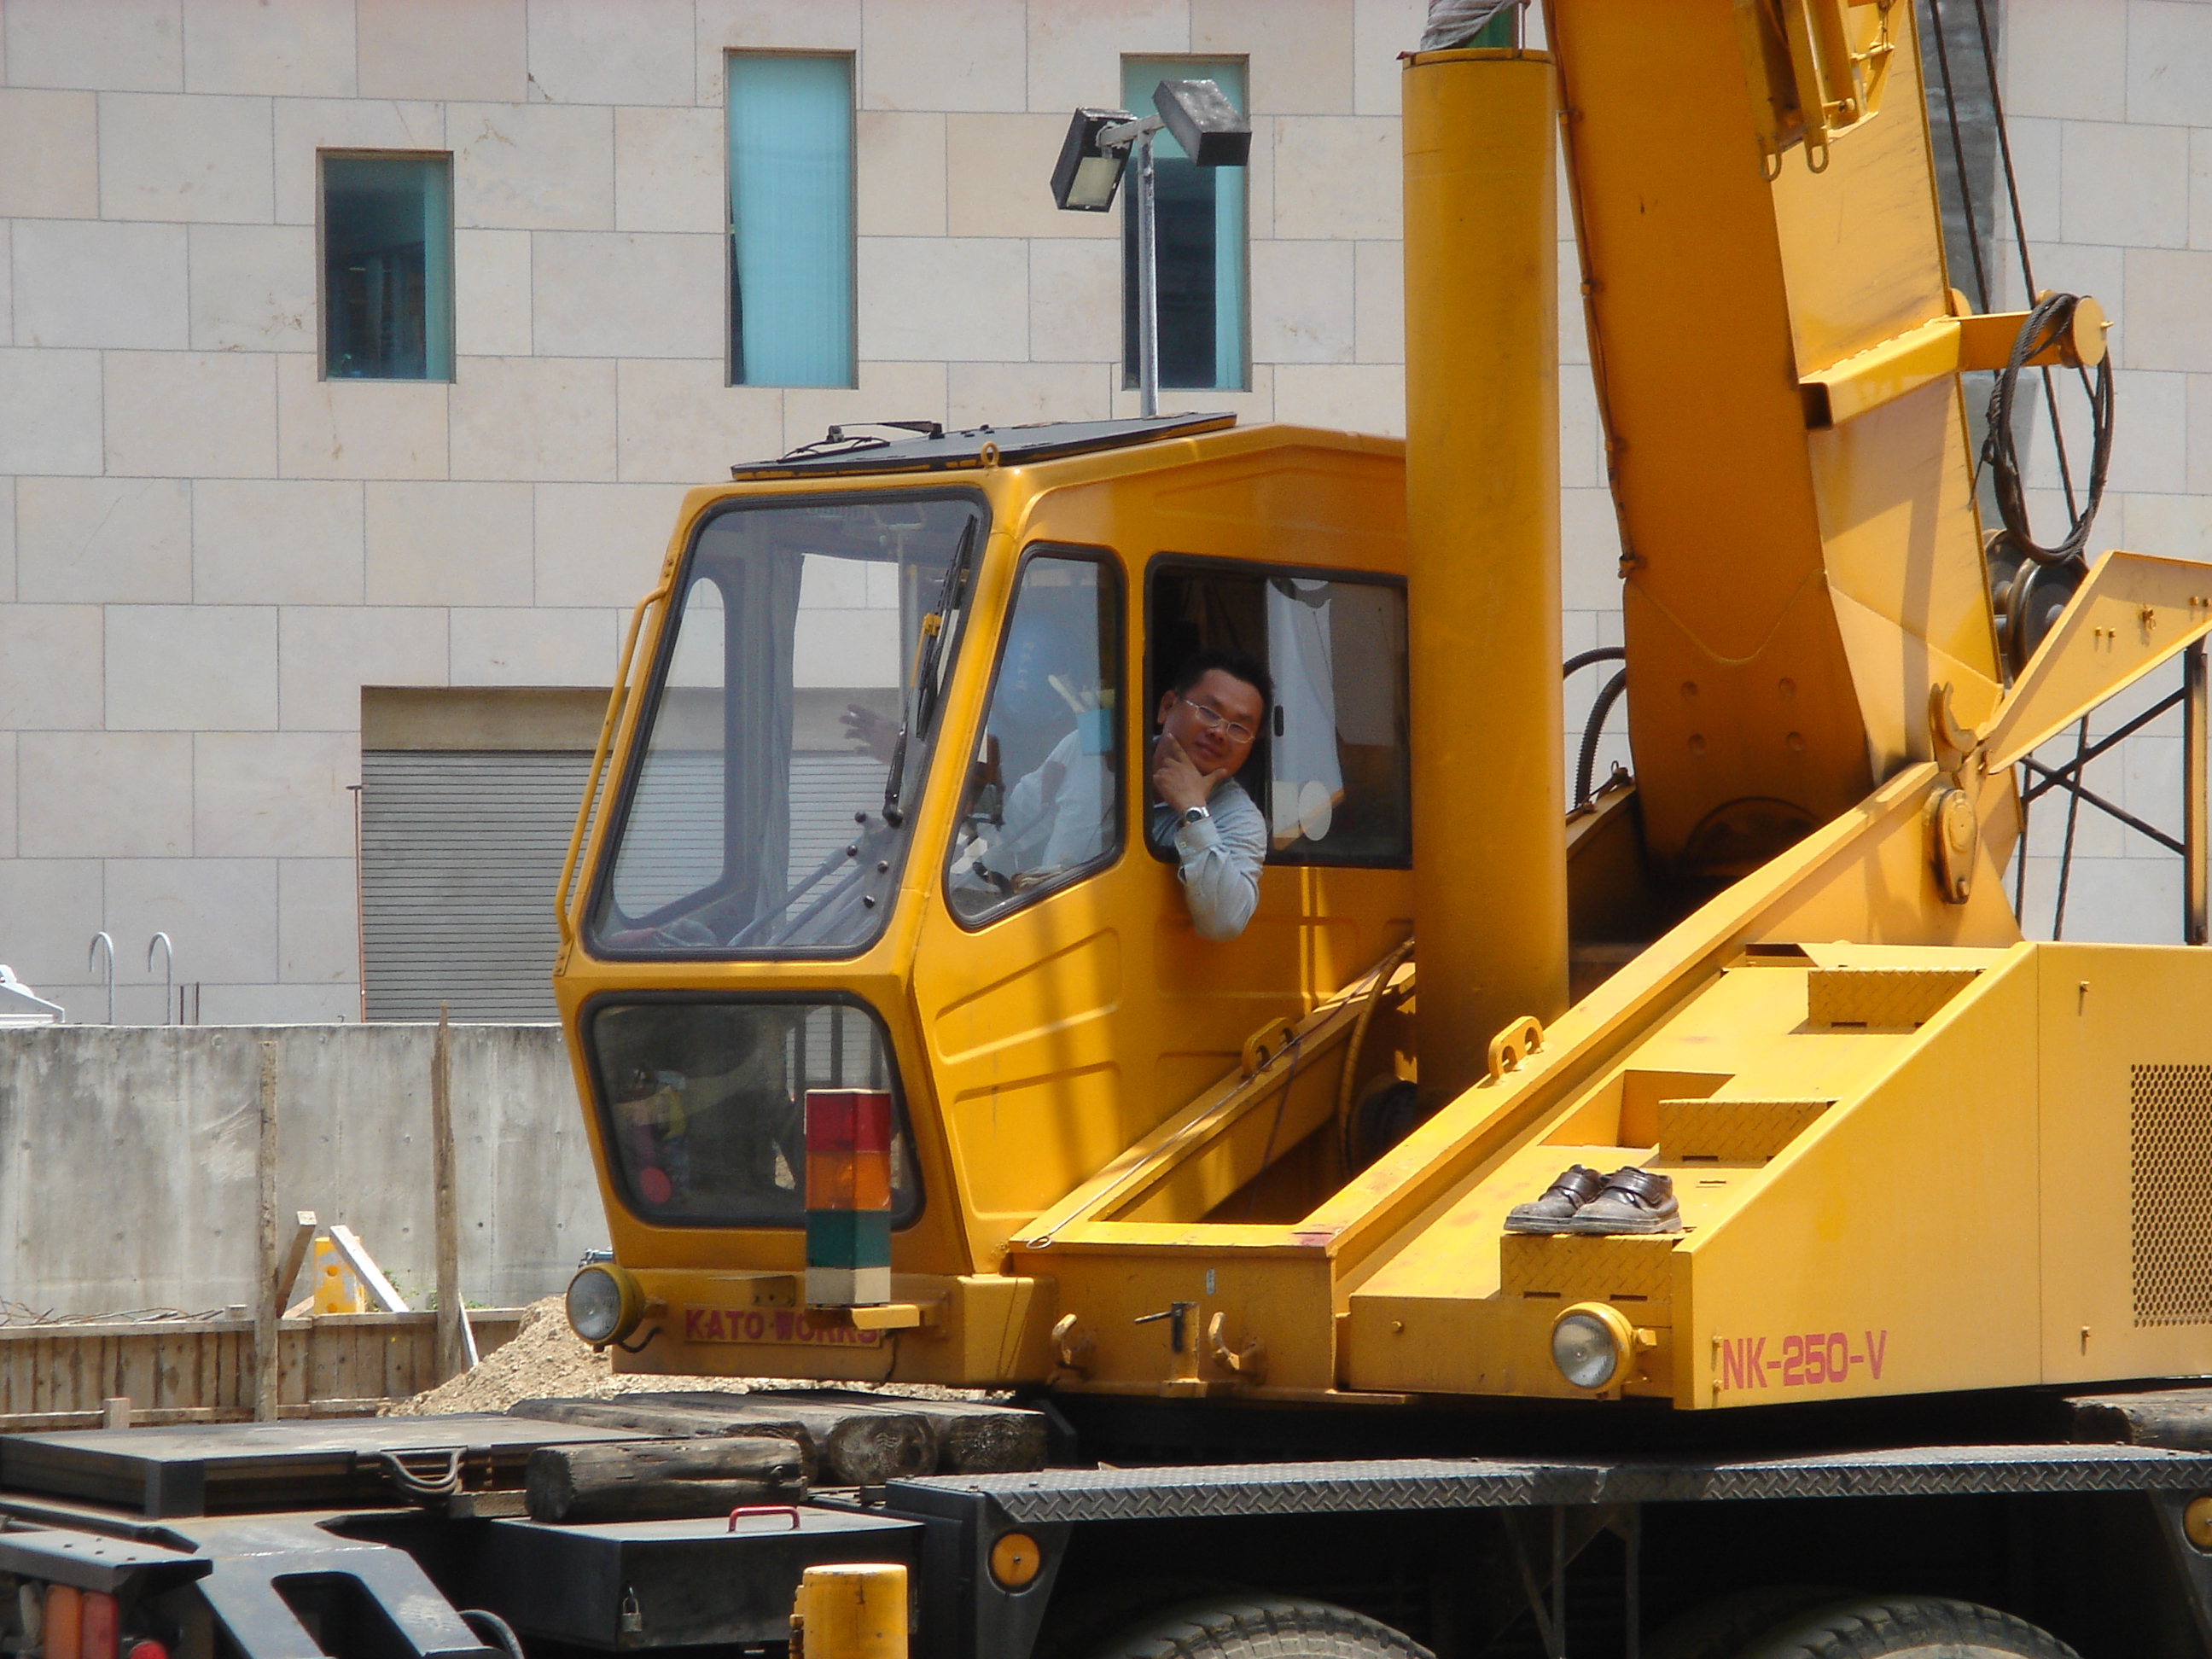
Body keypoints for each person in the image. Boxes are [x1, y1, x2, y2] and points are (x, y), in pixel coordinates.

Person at [1149, 650, 1271, 942]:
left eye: (1239, 728)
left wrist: (1193, 812)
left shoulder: (1241, 819)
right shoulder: (1092, 754)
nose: (1219, 733)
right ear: (1167, 706)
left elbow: (1225, 923)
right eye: (1209, 712)